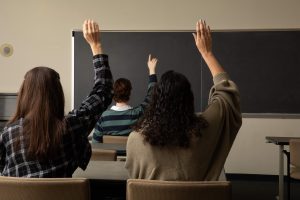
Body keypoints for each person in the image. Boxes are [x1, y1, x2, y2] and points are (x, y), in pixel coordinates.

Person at [125, 20, 242, 181]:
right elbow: (227, 94)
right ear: (189, 99)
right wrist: (207, 53)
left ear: (155, 101)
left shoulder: (136, 140)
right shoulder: (204, 132)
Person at [0, 19, 113, 177]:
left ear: (24, 95)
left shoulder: (8, 134)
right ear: (57, 94)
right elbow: (103, 91)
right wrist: (96, 45)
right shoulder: (72, 126)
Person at [92, 55, 158, 143]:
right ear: (129, 93)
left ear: (113, 93)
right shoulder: (136, 114)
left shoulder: (103, 117)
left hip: (110, 157)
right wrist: (152, 70)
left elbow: (96, 143)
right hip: (130, 156)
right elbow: (152, 96)